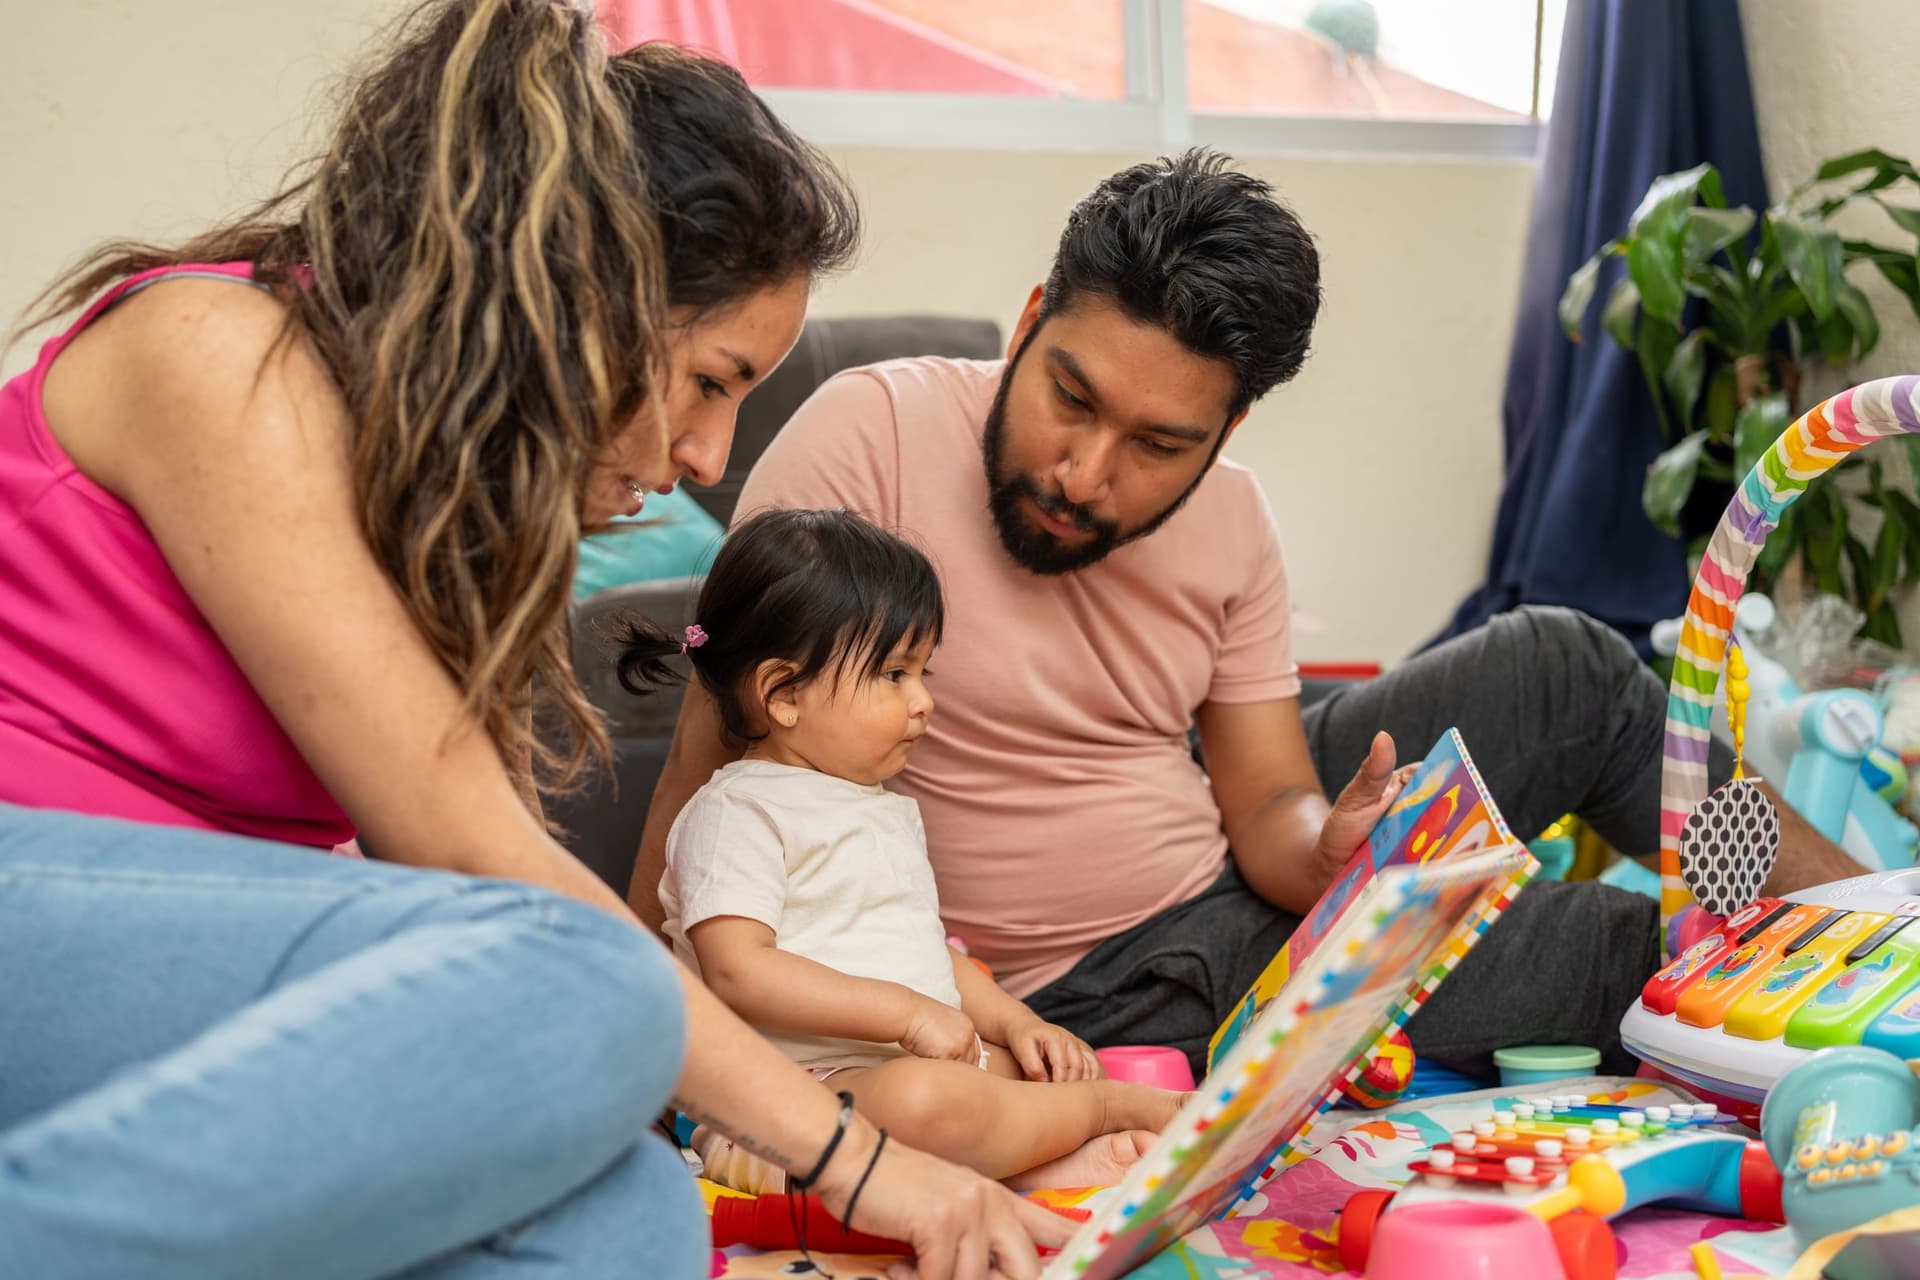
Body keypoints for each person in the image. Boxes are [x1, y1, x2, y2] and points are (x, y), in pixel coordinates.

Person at [0, 4, 1072, 1277]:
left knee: (632, 1212)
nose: (707, 461)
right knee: (592, 980)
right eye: (713, 379)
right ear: (584, 297)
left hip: (184, 984)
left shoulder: (429, 501)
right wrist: (864, 1165)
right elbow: (478, 856)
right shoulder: (217, 353)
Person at [631, 147, 1867, 1081]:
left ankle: (1869, 927)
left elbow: (1266, 802)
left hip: (1225, 863)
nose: (1084, 471)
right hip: (1108, 977)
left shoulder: (1231, 520)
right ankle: (1818, 982)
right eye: (1070, 395)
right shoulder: (869, 438)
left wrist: (1328, 846)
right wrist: (653, 1058)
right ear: (1027, 324)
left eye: (1159, 442)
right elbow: (706, 780)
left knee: (1568, 663)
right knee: (1617, 947)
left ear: (1226, 430)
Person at [620, 508, 1187, 1192]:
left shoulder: (877, 808)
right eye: (893, 674)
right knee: (928, 1104)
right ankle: (1102, 1112)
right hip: (785, 1107)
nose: (922, 701)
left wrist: (1021, 1022)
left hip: (906, 1073)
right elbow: (740, 970)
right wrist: (907, 1015)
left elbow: (930, 953)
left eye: (924, 673)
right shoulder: (736, 811)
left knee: (1014, 1069)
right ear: (785, 693)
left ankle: (1042, 1170)